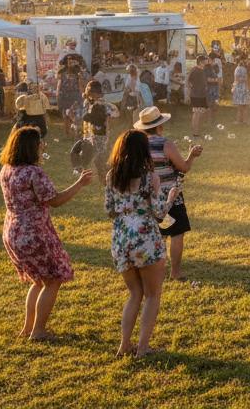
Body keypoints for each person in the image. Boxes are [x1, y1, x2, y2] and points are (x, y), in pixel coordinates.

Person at [0, 126, 93, 342]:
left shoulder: (7, 169)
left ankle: (28, 328)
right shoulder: (34, 173)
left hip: (12, 231)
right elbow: (55, 201)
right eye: (39, 142)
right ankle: (38, 331)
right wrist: (80, 184)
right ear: (32, 147)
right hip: (34, 232)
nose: (42, 145)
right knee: (52, 280)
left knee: (38, 281)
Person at [105, 129, 179, 357]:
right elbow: (158, 213)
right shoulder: (150, 178)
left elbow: (109, 210)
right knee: (152, 295)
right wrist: (170, 198)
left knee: (134, 294)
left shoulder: (111, 177)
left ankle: (124, 345)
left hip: (121, 240)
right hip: (146, 238)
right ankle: (143, 348)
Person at [134, 106, 202, 282]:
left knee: (158, 234)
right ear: (159, 126)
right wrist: (192, 155)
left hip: (149, 197)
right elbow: (184, 167)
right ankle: (175, 272)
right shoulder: (166, 144)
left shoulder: (138, 146)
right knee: (177, 233)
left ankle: (156, 271)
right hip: (171, 197)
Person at [73, 80, 119, 181]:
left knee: (100, 156)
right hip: (94, 133)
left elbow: (111, 118)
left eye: (90, 94)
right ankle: (103, 175)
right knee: (98, 155)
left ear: (93, 93)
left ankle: (105, 175)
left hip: (100, 134)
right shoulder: (92, 103)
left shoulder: (103, 105)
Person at [56, 56, 87, 137]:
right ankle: (67, 134)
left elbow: (80, 84)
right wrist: (58, 95)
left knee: (75, 115)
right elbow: (59, 85)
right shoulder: (61, 72)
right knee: (65, 115)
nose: (70, 62)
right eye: (69, 60)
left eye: (72, 60)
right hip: (64, 96)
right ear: (66, 62)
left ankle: (76, 132)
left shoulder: (78, 72)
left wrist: (83, 95)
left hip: (75, 95)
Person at [186, 56, 209, 136]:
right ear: (201, 62)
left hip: (202, 95)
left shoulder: (203, 70)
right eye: (205, 60)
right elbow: (188, 81)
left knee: (202, 112)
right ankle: (195, 133)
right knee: (196, 113)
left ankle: (198, 130)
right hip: (196, 95)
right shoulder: (195, 70)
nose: (207, 62)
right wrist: (190, 92)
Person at [232, 60, 250, 124]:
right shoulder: (244, 69)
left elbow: (236, 79)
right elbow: (246, 79)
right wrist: (247, 87)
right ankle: (245, 120)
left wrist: (234, 87)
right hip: (244, 88)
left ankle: (238, 120)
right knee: (245, 105)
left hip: (239, 88)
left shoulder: (237, 69)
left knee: (239, 107)